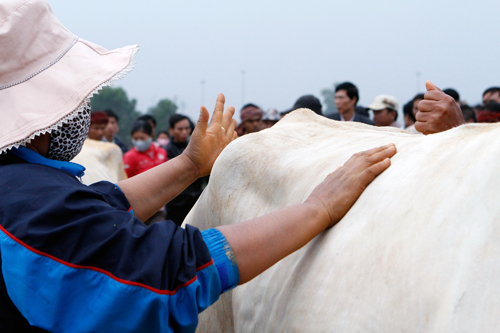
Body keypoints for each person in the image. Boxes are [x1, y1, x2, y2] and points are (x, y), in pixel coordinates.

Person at [0, 1, 397, 331]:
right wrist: (316, 209)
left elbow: (98, 207)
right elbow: (171, 271)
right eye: (77, 97)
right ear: (40, 116)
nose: (82, 110)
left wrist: (189, 164)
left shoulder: (18, 183)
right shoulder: (27, 205)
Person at [164, 114, 205, 226]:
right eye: (180, 129)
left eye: (187, 128)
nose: (184, 132)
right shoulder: (166, 152)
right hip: (176, 205)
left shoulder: (195, 147)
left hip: (195, 203)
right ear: (171, 131)